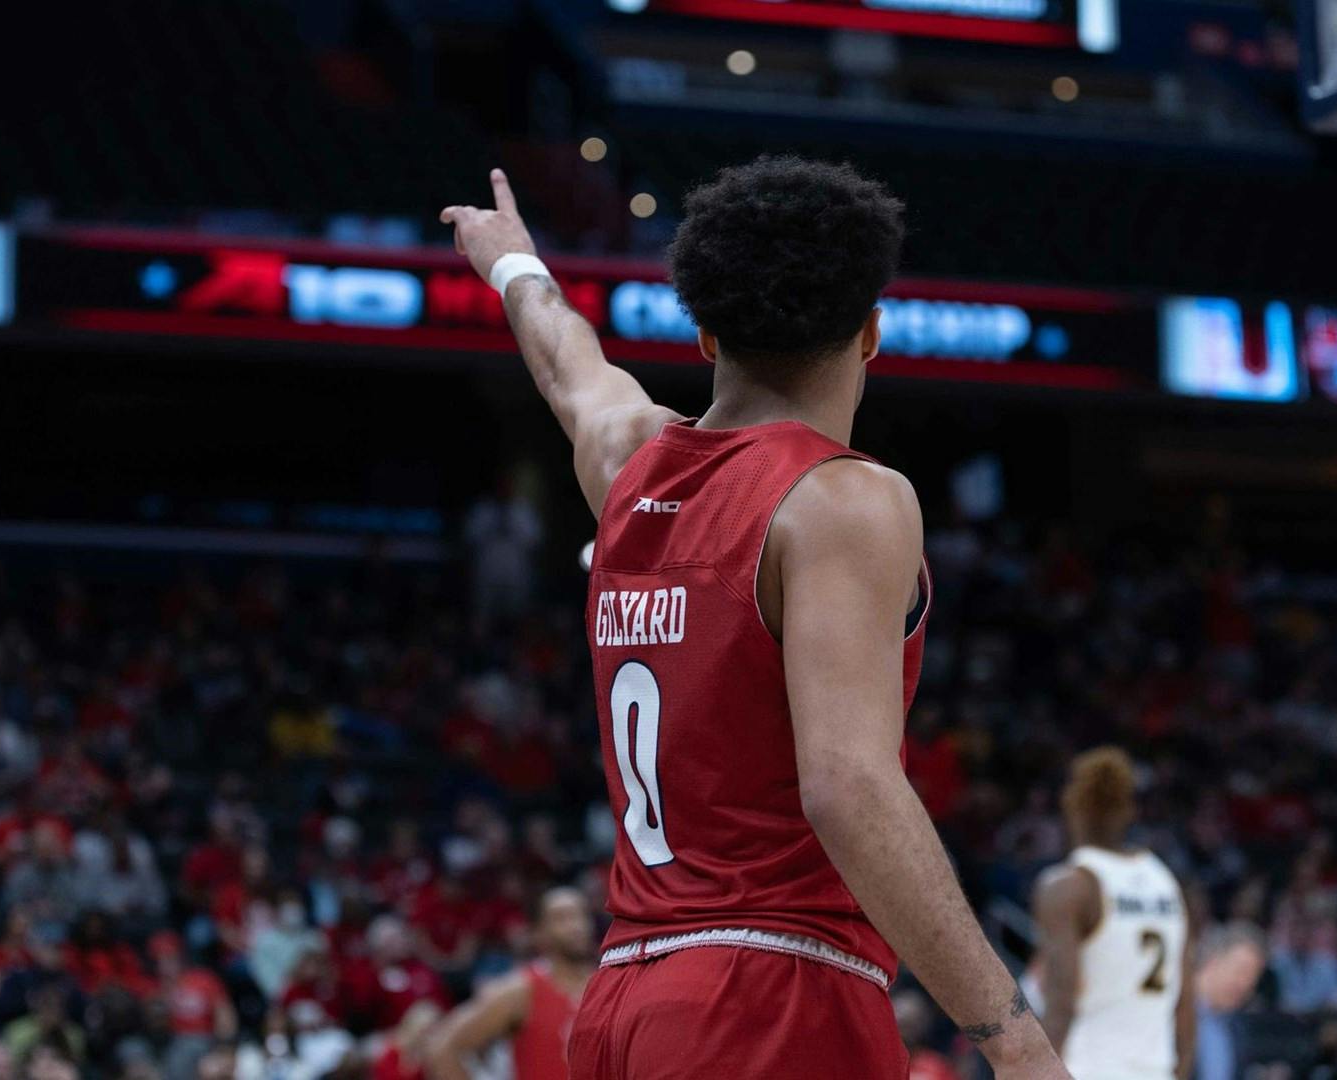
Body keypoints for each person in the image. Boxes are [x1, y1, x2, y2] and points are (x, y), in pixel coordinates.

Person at [439, 158, 1069, 1078]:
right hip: (775, 993)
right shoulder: (845, 498)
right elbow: (847, 787)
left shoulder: (629, 462)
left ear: (702, 336)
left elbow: (567, 365)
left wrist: (514, 266)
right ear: (871, 333)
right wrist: (1017, 1041)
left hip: (622, 1000)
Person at [1031, 748, 1192, 1080]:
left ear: (1071, 807)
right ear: (1129, 810)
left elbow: (1061, 999)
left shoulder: (1066, 887)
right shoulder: (1167, 884)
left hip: (1087, 1067)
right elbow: (1186, 1004)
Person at [424, 886, 597, 1080]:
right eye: (561, 918)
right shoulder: (521, 990)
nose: (576, 926)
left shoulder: (606, 985)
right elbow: (442, 1047)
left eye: (581, 915)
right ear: (539, 933)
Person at [1190, 924, 1267, 1080]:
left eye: (1253, 979)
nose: (1246, 985)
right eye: (1242, 971)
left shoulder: (1237, 1027)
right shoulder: (1170, 1011)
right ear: (1212, 962)